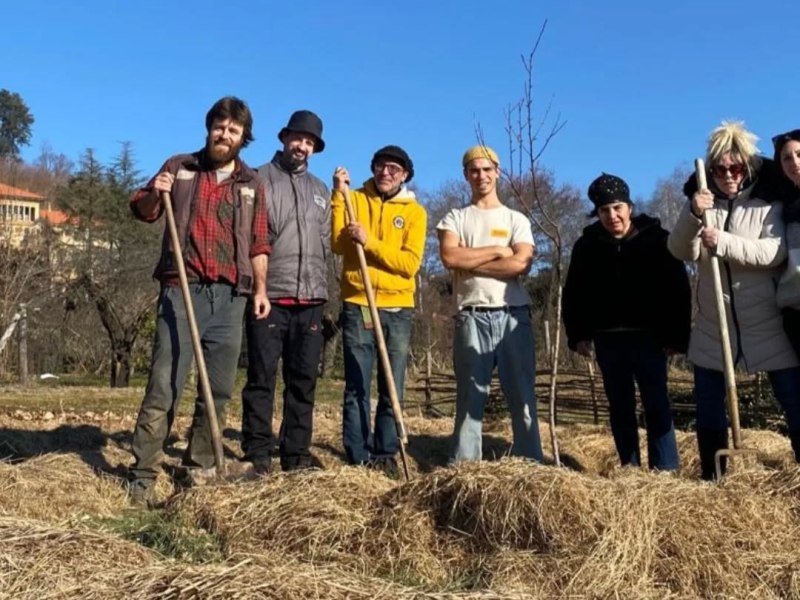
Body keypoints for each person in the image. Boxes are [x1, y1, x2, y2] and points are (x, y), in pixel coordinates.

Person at [127, 97, 270, 505]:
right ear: (209, 128)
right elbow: (144, 210)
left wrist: (260, 290)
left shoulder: (251, 185)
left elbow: (260, 243)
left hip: (229, 298)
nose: (225, 135)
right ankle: (142, 476)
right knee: (164, 384)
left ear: (244, 138)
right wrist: (157, 192)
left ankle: (200, 467)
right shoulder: (180, 167)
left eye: (234, 130)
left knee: (219, 390)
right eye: (219, 126)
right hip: (181, 288)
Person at [668, 121, 800, 480]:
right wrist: (694, 214)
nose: (728, 175)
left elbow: (774, 252)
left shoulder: (766, 202)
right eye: (721, 169)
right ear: (711, 170)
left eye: (736, 168)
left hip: (767, 325)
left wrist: (723, 241)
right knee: (709, 411)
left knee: (794, 402)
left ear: (747, 167)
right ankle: (714, 479)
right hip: (714, 329)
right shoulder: (702, 205)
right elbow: (680, 250)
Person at [562, 173, 691, 471]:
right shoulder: (587, 246)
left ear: (629, 207)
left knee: (657, 404)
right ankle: (629, 467)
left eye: (617, 208)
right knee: (620, 408)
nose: (612, 216)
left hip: (650, 338)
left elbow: (678, 290)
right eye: (604, 210)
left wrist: (677, 336)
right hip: (609, 338)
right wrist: (578, 334)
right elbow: (575, 293)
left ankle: (666, 470)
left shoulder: (658, 240)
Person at [437, 144, 543, 463]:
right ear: (466, 175)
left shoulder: (516, 219)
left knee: (522, 394)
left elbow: (521, 264)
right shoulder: (455, 217)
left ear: (497, 172)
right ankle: (465, 468)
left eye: (486, 169)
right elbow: (450, 256)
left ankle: (530, 464)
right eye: (474, 170)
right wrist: (498, 251)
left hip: (513, 316)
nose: (481, 176)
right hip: (471, 314)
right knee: (470, 397)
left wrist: (470, 263)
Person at [240, 110, 330, 474]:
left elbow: (325, 242)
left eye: (309, 143)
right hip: (270, 295)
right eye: (298, 139)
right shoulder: (258, 179)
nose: (302, 147)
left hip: (311, 299)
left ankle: (296, 454)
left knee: (304, 380)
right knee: (262, 376)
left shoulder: (320, 191)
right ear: (284, 138)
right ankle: (258, 452)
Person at [331, 145, 426, 476]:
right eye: (380, 167)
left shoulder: (415, 213)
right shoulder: (353, 200)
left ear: (405, 175)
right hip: (360, 304)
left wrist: (369, 241)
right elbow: (338, 245)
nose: (386, 173)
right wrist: (337, 196)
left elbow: (409, 264)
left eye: (394, 169)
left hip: (397, 307)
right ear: (372, 169)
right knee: (357, 380)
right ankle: (357, 454)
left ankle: (387, 452)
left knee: (392, 382)